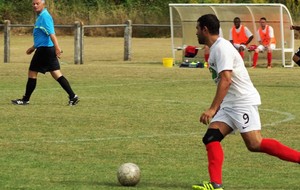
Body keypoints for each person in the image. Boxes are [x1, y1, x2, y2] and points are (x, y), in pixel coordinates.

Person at [192, 14, 299, 190]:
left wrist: (212, 109)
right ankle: (215, 184)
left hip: (241, 102)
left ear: (205, 29)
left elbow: (226, 80)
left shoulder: (221, 48)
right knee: (211, 137)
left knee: (255, 144)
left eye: (197, 28)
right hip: (230, 104)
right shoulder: (216, 48)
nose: (196, 32)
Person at [11, 0, 79, 106]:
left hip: (45, 50)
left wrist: (57, 48)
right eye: (33, 3)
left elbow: (52, 34)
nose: (35, 5)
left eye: (37, 3)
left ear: (43, 4)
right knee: (56, 73)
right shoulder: (41, 16)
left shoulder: (45, 16)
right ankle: (73, 96)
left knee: (32, 72)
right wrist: (33, 47)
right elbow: (43, 36)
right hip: (46, 49)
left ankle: (25, 100)